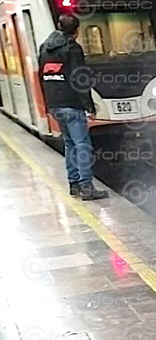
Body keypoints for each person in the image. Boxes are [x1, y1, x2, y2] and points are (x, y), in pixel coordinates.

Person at [39, 14, 107, 200]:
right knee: (83, 145)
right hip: (71, 104)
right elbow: (79, 78)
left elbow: (41, 76)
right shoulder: (72, 47)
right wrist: (89, 107)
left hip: (55, 105)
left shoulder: (44, 47)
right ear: (76, 31)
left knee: (70, 143)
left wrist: (48, 103)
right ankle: (87, 187)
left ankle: (74, 184)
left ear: (59, 26)